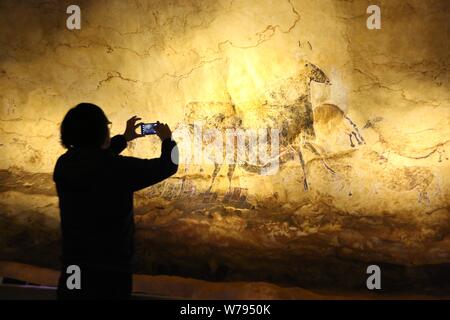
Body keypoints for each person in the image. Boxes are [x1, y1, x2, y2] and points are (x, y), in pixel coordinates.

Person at [53, 103, 178, 299]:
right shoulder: (116, 169)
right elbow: (169, 165)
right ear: (102, 132)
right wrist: (168, 140)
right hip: (110, 272)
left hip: (74, 267)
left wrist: (125, 137)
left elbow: (94, 157)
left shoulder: (64, 164)